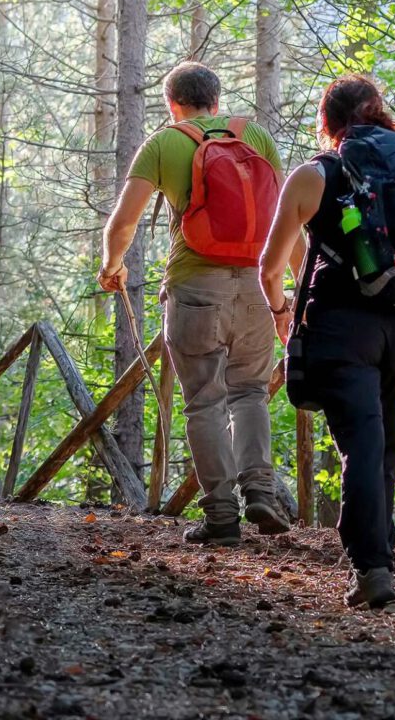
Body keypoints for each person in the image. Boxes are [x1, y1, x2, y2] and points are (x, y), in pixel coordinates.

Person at [259, 74, 395, 608]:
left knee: (361, 442)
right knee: (385, 439)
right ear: (379, 115)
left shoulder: (315, 175)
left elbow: (269, 266)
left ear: (329, 122)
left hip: (342, 327)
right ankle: (379, 550)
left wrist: (281, 311)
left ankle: (373, 569)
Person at [98, 61, 301, 546]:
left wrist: (112, 265)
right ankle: (260, 492)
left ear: (173, 104)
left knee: (204, 401)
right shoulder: (256, 137)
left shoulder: (166, 143)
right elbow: (284, 222)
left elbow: (123, 222)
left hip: (194, 288)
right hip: (257, 286)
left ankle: (222, 516)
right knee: (250, 393)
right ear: (216, 97)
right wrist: (295, 292)